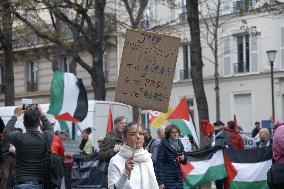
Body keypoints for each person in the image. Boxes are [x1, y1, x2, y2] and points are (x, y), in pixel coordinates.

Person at [3, 104, 53, 189]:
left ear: (24, 124)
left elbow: (6, 132)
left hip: (21, 184)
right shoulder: (46, 137)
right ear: (38, 123)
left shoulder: (19, 138)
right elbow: (50, 129)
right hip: (39, 184)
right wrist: (41, 114)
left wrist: (15, 115)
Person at [108, 122, 159, 189]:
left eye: (141, 134)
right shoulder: (115, 160)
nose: (138, 137)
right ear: (125, 138)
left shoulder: (147, 157)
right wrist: (125, 172)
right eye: (133, 134)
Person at [97, 116, 127, 187]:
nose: (123, 125)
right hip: (113, 171)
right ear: (115, 125)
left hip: (125, 170)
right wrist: (113, 150)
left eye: (125, 123)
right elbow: (101, 155)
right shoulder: (109, 138)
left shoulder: (127, 137)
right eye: (121, 123)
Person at [156, 124, 187, 189]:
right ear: (168, 134)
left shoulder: (179, 143)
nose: (175, 134)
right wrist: (160, 182)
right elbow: (159, 164)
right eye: (173, 132)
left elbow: (184, 162)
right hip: (167, 178)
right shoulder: (163, 145)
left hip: (178, 177)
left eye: (177, 132)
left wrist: (183, 158)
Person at [211, 120, 232, 189]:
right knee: (217, 180)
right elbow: (209, 146)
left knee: (224, 181)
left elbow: (229, 147)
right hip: (215, 161)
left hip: (223, 161)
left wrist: (222, 146)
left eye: (217, 125)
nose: (215, 127)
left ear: (222, 126)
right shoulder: (213, 136)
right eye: (215, 125)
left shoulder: (226, 135)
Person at [0, 116, 15, 189]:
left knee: (9, 178)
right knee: (5, 177)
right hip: (5, 159)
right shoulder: (3, 138)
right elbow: (2, 149)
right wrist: (8, 149)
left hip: (11, 158)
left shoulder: (9, 137)